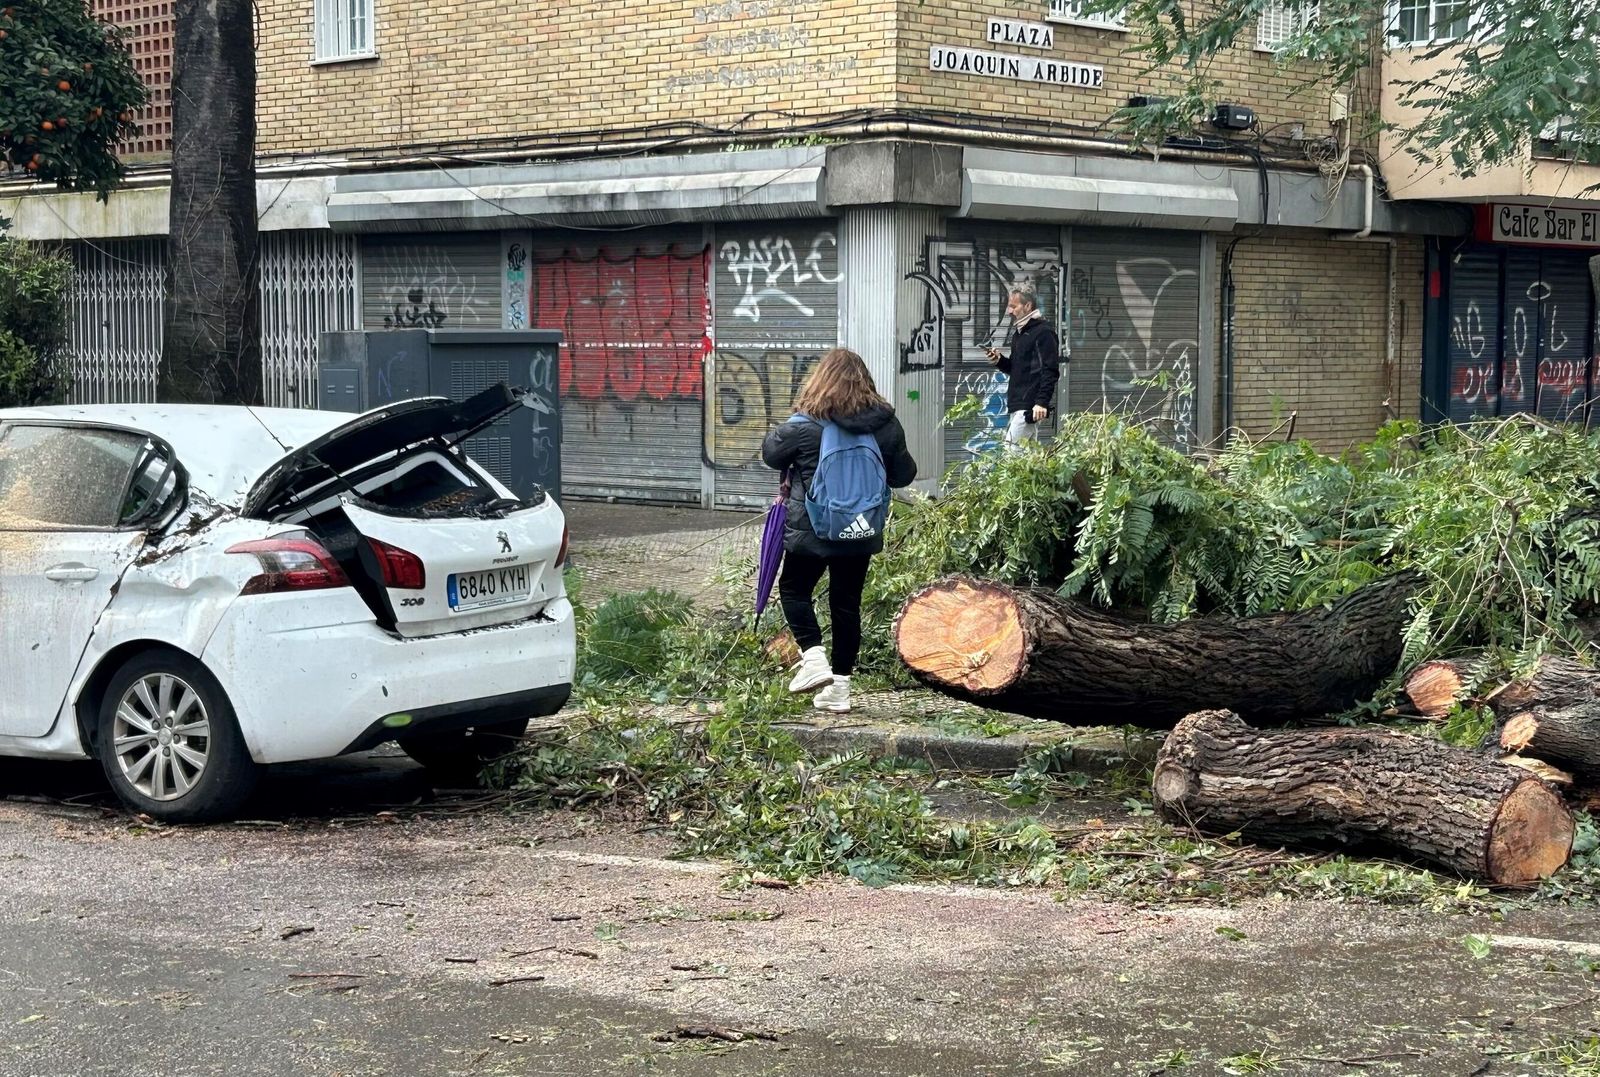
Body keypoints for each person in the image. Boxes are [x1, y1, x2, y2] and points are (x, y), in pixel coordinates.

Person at [761, 348, 917, 714]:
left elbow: (770, 454)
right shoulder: (885, 425)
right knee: (846, 605)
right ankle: (840, 691)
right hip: (860, 531)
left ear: (820, 380)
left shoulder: (804, 425)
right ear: (867, 383)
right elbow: (903, 475)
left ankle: (813, 657)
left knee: (794, 589)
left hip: (811, 532)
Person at [984, 281, 1062, 447]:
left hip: (1029, 405)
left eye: (1014, 306)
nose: (1009, 311)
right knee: (1025, 460)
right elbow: (1016, 369)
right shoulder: (1019, 333)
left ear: (1028, 305)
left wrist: (1041, 402)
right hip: (1017, 403)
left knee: (1012, 452)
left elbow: (1050, 370)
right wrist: (999, 360)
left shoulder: (1043, 332)